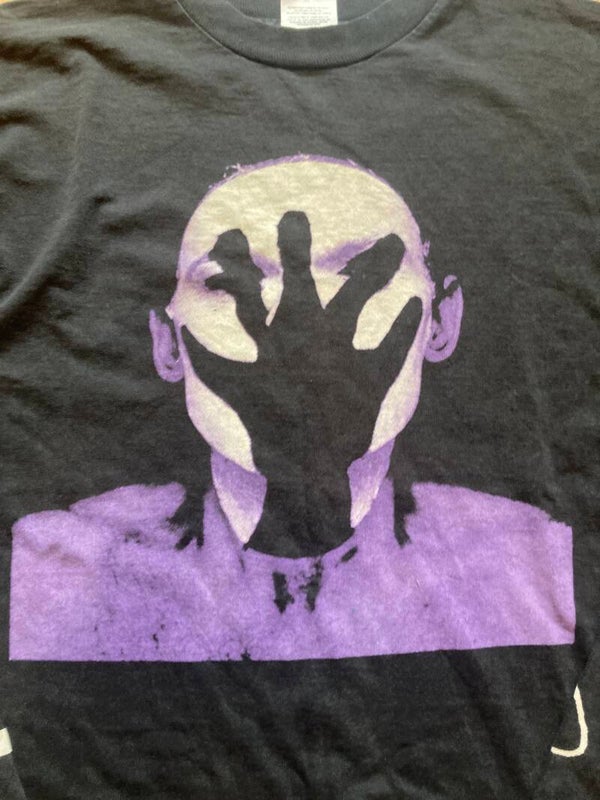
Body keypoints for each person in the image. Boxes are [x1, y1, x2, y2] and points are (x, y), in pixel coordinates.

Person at [9, 155, 574, 662]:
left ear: (441, 321)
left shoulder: (529, 564)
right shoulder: (58, 571)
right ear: (167, 343)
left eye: (359, 272)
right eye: (230, 282)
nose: (300, 334)